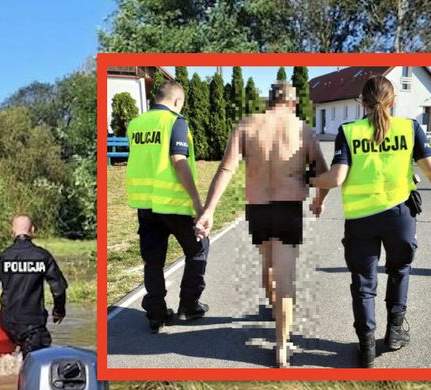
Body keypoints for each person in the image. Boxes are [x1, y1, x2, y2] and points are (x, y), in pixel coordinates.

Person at [311, 75, 431, 367]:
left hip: (360, 219)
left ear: (362, 103)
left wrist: (310, 179)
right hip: (400, 217)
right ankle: (394, 333)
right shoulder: (410, 128)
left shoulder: (349, 131)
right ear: (392, 101)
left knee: (363, 283)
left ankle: (366, 347)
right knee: (399, 270)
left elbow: (336, 178)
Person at [197, 82, 329, 368]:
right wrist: (319, 199)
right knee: (285, 278)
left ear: (269, 101)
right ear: (293, 103)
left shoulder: (247, 125)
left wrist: (209, 210)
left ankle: (272, 308)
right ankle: (282, 346)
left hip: (257, 208)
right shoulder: (303, 130)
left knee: (267, 265)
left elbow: (227, 168)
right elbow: (323, 172)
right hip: (288, 208)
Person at [123, 79, 209, 334]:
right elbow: (178, 160)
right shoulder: (175, 121)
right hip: (174, 204)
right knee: (198, 249)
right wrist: (197, 202)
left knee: (153, 260)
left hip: (145, 205)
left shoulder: (135, 125)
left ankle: (156, 313)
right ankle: (189, 305)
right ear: (176, 101)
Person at [0, 215, 68, 356]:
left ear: (12, 231)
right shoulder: (43, 256)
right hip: (33, 322)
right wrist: (59, 311)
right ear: (33, 230)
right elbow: (58, 289)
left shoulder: (3, 256)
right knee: (36, 359)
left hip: (7, 322)